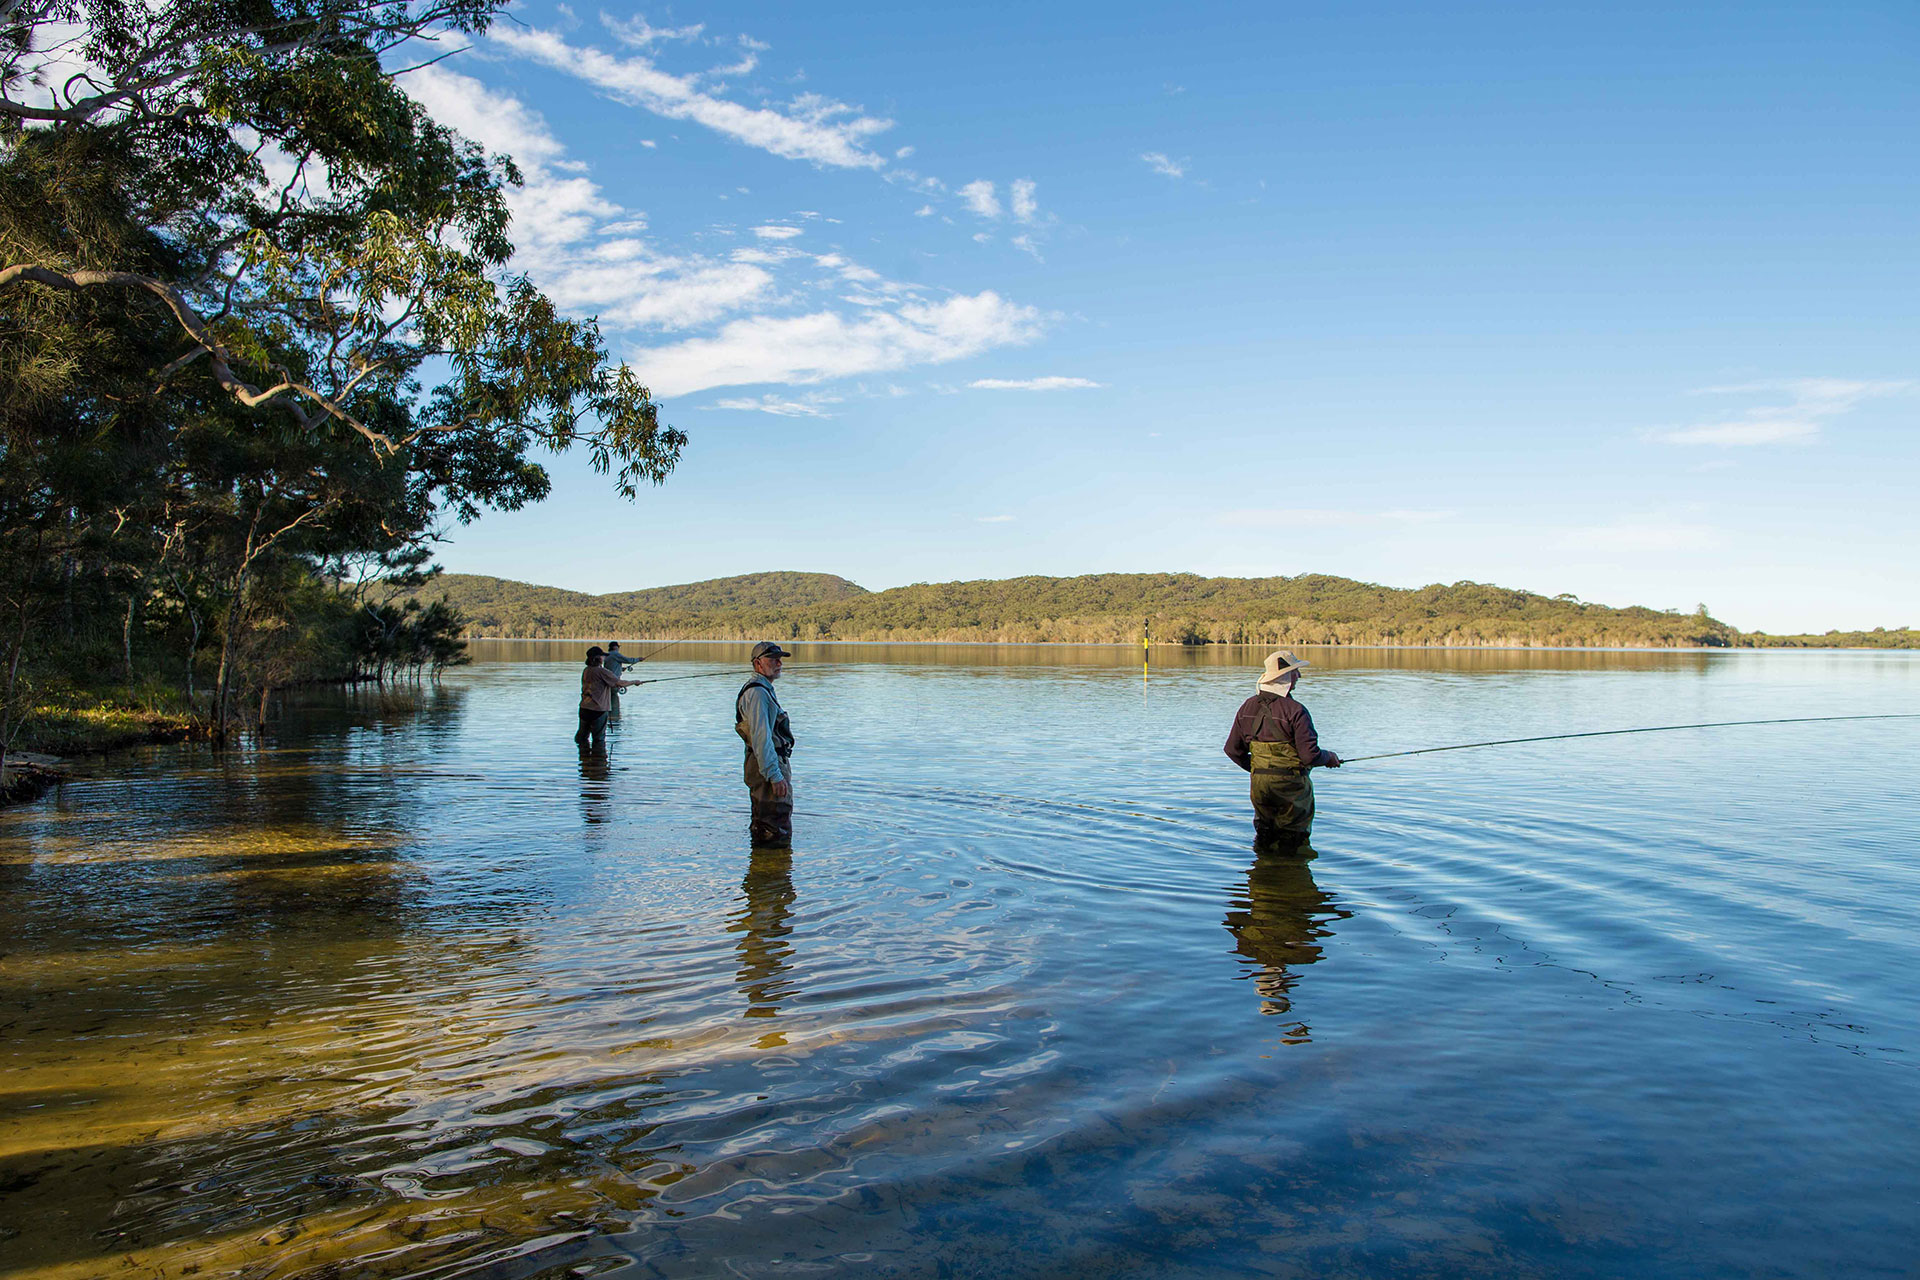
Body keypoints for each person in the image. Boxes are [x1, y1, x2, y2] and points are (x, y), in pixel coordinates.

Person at [1223, 649, 1341, 849]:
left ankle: (1262, 874)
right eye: (1295, 672)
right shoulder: (1296, 710)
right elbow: (1310, 756)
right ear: (1285, 676)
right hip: (1291, 788)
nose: (1299, 677)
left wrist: (1259, 769)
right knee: (1293, 840)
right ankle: (1290, 875)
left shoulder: (1247, 707)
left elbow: (1233, 750)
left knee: (1264, 835)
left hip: (1260, 785)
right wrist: (1329, 757)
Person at [735, 641, 795, 847]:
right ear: (758, 663)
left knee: (766, 823)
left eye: (780, 659)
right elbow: (761, 738)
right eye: (773, 659)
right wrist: (775, 775)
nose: (779, 663)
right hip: (767, 767)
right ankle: (770, 874)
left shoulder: (762, 689)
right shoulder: (758, 693)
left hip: (764, 764)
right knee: (774, 827)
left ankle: (765, 870)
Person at [575, 646, 639, 753]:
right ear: (597, 658)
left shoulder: (586, 670)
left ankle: (584, 763)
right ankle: (599, 765)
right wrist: (635, 682)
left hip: (584, 708)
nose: (604, 658)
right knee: (598, 740)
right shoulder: (602, 672)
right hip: (598, 711)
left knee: (582, 737)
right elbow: (620, 683)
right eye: (602, 656)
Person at [602, 641, 643, 719]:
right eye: (618, 647)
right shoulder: (615, 654)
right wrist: (638, 659)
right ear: (615, 647)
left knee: (608, 703)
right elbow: (628, 660)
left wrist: (620, 669)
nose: (618, 649)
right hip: (614, 683)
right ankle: (615, 719)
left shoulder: (607, 656)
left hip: (606, 683)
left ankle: (610, 718)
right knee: (615, 705)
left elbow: (610, 668)